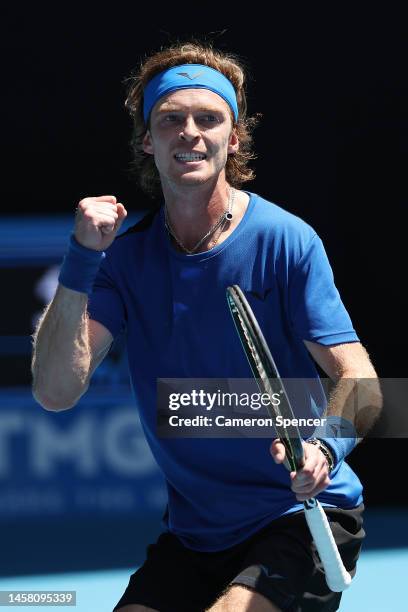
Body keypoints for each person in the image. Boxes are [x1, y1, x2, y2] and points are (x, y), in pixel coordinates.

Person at [32, 41, 382, 612]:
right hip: (196, 536)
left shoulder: (286, 241)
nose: (189, 132)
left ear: (234, 137)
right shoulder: (124, 259)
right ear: (149, 140)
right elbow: (54, 391)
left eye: (208, 118)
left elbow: (362, 382)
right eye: (171, 119)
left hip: (301, 520)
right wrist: (80, 258)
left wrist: (324, 446)